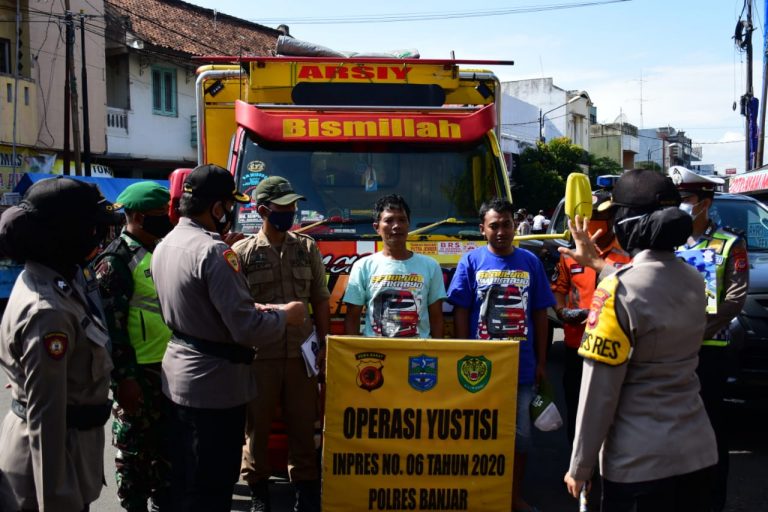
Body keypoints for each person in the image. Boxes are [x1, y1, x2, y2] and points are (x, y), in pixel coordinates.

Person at [151, 164, 307, 512]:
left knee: (186, 481)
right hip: (215, 386)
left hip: (178, 373)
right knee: (212, 486)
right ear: (218, 208)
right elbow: (247, 329)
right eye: (229, 206)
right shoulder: (215, 252)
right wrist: (285, 315)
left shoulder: (166, 244)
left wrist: (260, 308)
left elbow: (204, 308)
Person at [562, 169, 717, 511]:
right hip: (699, 453)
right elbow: (647, 289)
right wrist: (601, 266)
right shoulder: (694, 279)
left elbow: (598, 391)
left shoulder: (616, 290)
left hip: (639, 465)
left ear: (627, 222)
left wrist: (581, 466)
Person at [0, 177, 116, 511]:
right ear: (65, 234)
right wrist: (54, 497)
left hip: (71, 454)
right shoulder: (48, 312)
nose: (99, 237)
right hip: (49, 470)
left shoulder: (58, 277)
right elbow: (45, 419)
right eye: (92, 229)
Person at [446, 198, 555, 512]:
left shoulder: (531, 262)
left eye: (506, 224)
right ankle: (478, 493)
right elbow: (462, 311)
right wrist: (466, 352)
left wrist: (542, 361)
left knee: (519, 438)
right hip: (477, 369)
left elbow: (540, 315)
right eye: (494, 225)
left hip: (521, 367)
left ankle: (512, 496)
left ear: (514, 226)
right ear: (483, 229)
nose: (501, 231)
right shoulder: (471, 262)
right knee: (476, 434)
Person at [233, 177, 330, 512]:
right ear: (263, 210)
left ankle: (305, 493)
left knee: (305, 427)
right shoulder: (242, 253)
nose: (291, 212)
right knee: (257, 430)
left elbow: (320, 298)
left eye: (293, 206)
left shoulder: (307, 247)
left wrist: (324, 345)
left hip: (302, 355)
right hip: (260, 356)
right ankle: (260, 494)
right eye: (283, 207)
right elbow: (237, 306)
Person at [668, 165, 748, 512]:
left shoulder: (729, 241)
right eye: (678, 200)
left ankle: (712, 502)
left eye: (686, 199)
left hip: (710, 352)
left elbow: (735, 297)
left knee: (713, 432)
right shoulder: (666, 244)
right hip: (670, 355)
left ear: (705, 201)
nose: (682, 206)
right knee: (670, 431)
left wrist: (699, 330)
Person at [94, 181, 174, 512]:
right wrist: (123, 379)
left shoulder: (160, 250)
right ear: (139, 218)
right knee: (134, 450)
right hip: (137, 373)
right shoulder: (115, 262)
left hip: (166, 368)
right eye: (159, 216)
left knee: (165, 448)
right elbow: (113, 329)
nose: (166, 222)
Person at [550, 190, 631, 443]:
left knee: (615, 415)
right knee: (577, 412)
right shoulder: (570, 256)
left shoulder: (628, 255)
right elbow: (559, 291)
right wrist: (563, 312)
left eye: (602, 216)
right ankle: (580, 474)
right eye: (591, 216)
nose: (595, 222)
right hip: (577, 347)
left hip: (614, 347)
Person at [344, 194, 445, 338]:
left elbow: (436, 318)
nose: (396, 226)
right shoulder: (363, 266)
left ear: (408, 224)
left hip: (417, 355)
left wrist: (435, 354)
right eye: (389, 220)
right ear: (376, 227)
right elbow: (352, 317)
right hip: (375, 354)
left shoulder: (430, 266)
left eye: (402, 220)